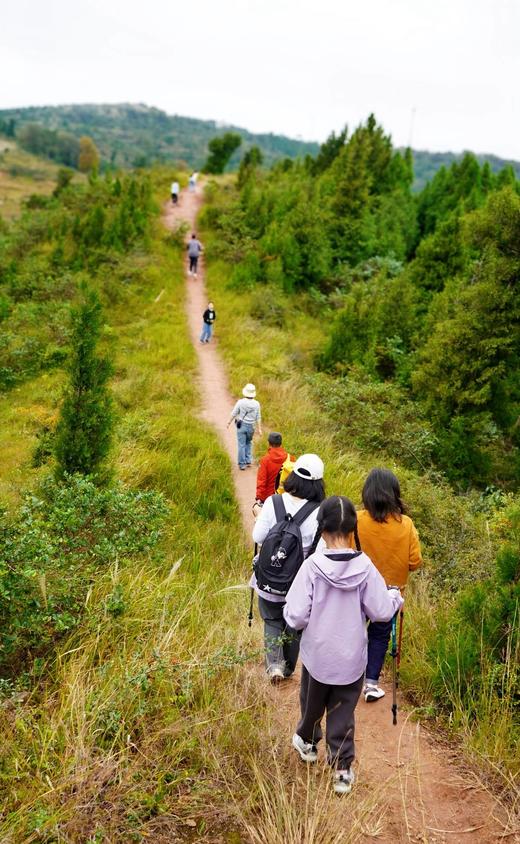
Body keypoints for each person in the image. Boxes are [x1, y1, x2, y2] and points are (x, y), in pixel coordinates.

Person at [284, 495, 403, 795]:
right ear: (353, 529)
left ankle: (309, 743)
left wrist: (289, 610)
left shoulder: (312, 567)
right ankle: (342, 770)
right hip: (351, 660)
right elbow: (380, 612)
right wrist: (394, 598)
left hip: (317, 656)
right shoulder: (365, 567)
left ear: (322, 529)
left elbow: (296, 616)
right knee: (342, 712)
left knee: (311, 705)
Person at [251, 454, 325, 682]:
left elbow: (258, 536)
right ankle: (289, 668)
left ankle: (274, 665)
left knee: (272, 619)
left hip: (270, 577)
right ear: (319, 482)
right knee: (294, 624)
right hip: (298, 582)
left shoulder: (274, 502)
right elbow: (320, 552)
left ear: (292, 475)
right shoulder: (318, 511)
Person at [356, 468, 422, 703]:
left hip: (357, 588)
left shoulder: (357, 519)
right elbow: (415, 562)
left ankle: (349, 677)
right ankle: (371, 684)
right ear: (395, 494)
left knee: (355, 630)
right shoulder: (406, 524)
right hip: (390, 593)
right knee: (380, 635)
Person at [227, 384, 262, 470]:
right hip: (251, 427)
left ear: (245, 392)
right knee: (249, 442)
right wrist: (259, 429)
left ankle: (242, 464)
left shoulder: (240, 402)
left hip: (241, 426)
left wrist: (228, 422)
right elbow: (258, 417)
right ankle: (248, 460)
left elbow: (234, 413)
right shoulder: (257, 404)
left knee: (241, 445)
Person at [255, 432, 293, 506]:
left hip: (268, 499)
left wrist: (259, 497)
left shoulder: (265, 460)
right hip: (285, 498)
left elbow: (262, 480)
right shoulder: (290, 458)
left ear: (269, 443)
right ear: (281, 443)